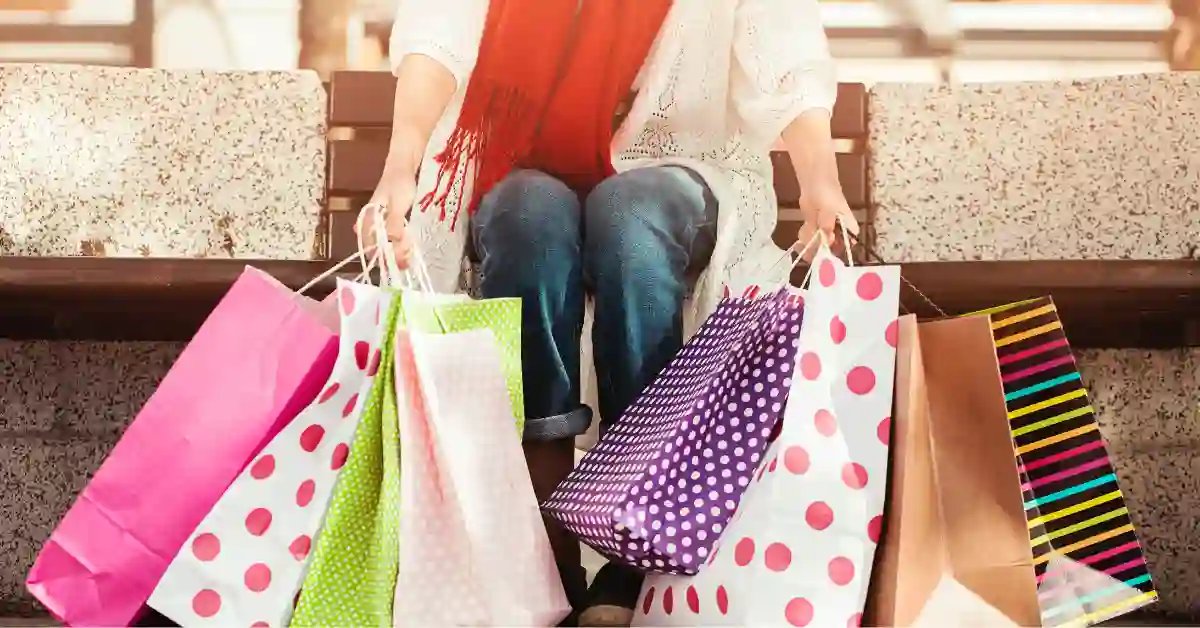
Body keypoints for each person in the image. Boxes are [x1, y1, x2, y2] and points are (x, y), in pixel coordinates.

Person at [366, 0, 856, 625]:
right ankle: (541, 542)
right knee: (528, 218)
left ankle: (636, 541)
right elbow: (439, 36)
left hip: (680, 170)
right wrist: (400, 169)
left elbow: (786, 52)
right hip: (519, 165)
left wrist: (819, 180)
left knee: (629, 217)